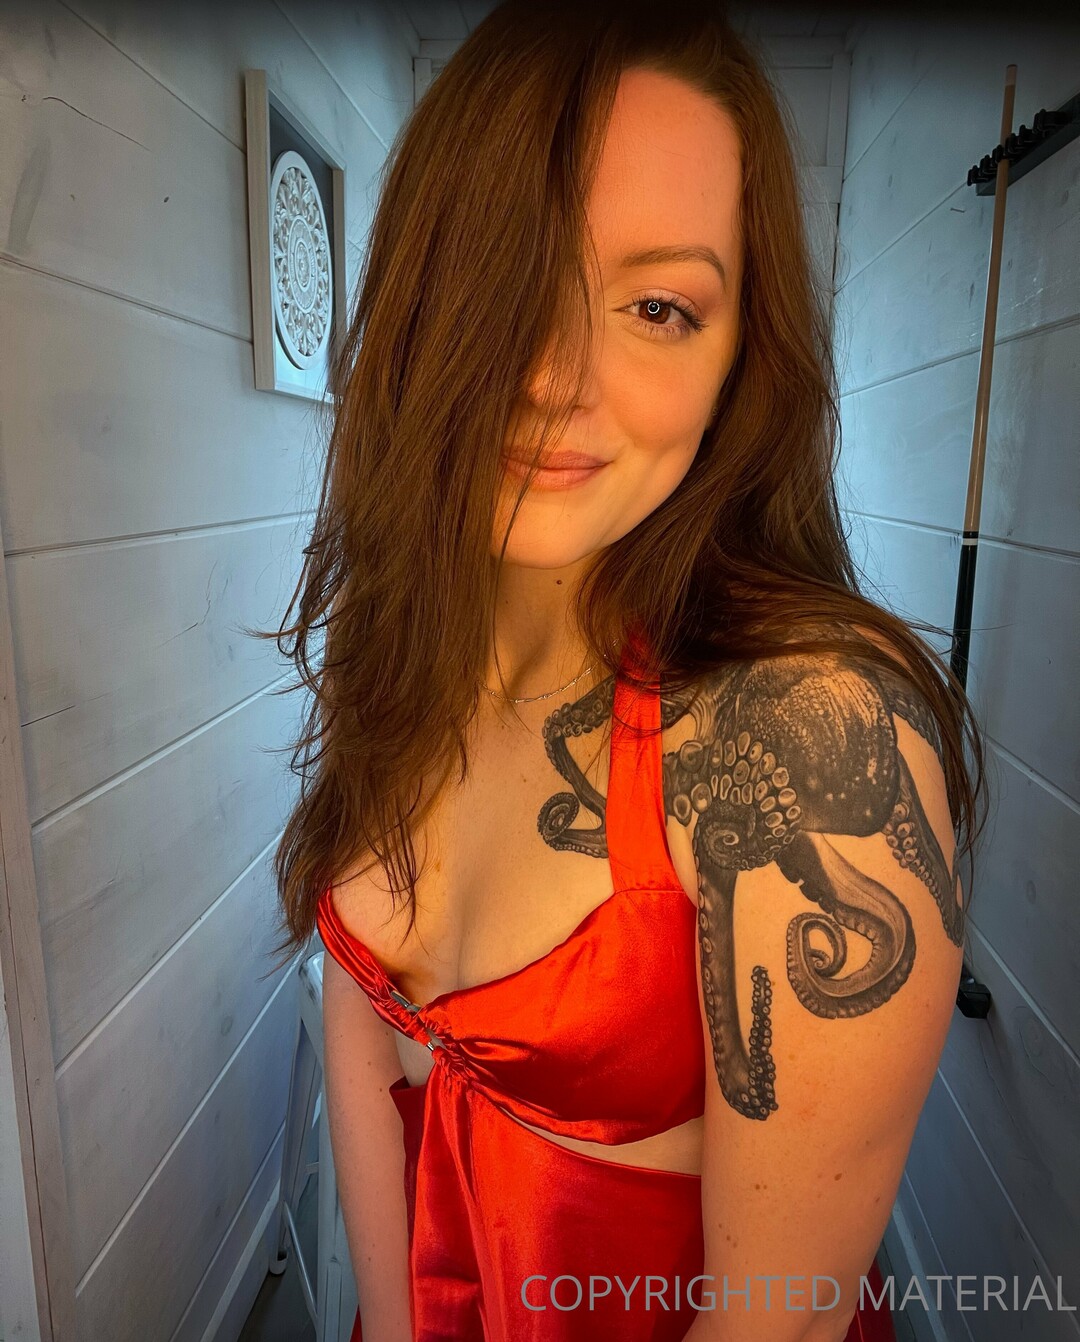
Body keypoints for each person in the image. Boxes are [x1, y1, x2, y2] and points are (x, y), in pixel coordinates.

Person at [262, 2, 986, 1339]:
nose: (553, 376)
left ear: (739, 356)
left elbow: (775, 1321)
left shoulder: (802, 733)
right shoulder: (409, 643)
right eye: (508, 278)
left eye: (659, 307)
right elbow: (367, 1040)